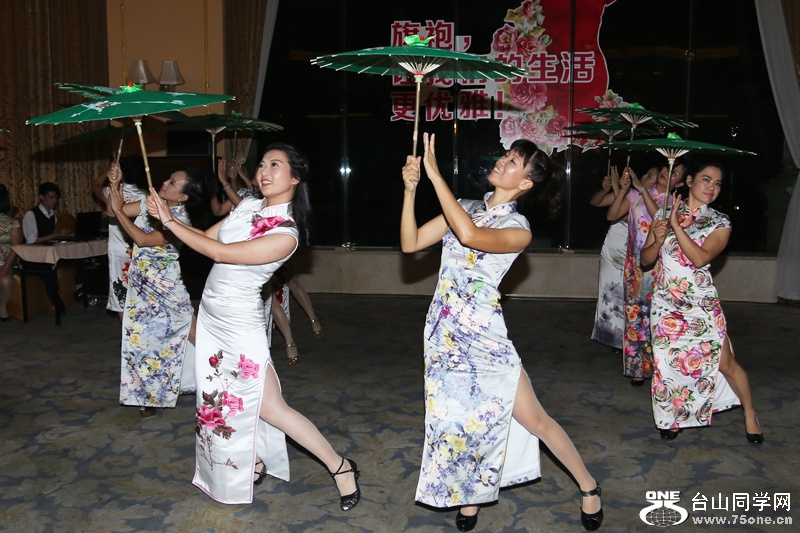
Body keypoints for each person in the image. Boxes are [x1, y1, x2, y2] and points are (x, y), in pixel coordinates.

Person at [401, 133, 602, 532]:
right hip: (444, 332)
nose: (502, 161)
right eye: (506, 155)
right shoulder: (464, 206)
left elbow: (470, 236)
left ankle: (589, 484)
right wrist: (410, 190)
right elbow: (411, 243)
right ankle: (471, 497)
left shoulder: (518, 227)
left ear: (525, 183)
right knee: (458, 418)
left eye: (513, 162)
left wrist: (435, 176)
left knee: (535, 420)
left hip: (485, 338)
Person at [147, 143, 360, 507]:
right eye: (261, 164)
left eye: (275, 165)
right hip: (212, 316)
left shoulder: (287, 233)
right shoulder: (246, 206)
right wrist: (166, 217)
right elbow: (208, 239)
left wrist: (169, 220)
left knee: (271, 408)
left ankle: (340, 467)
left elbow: (221, 253)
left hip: (239, 325)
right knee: (219, 398)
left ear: (295, 178)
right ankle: (254, 461)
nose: (263, 171)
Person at [640, 162, 763, 443]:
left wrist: (676, 226)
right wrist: (657, 241)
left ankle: (750, 413)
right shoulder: (662, 213)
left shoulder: (720, 222)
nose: (712, 187)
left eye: (717, 183)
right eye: (706, 180)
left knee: (725, 364)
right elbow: (645, 260)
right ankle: (673, 416)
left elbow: (700, 258)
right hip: (666, 303)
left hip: (701, 304)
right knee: (667, 364)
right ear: (689, 181)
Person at [107, 168, 206, 417]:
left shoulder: (180, 221)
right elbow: (111, 211)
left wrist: (119, 211)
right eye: (168, 178)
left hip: (167, 286)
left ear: (182, 197)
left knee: (191, 330)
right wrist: (115, 185)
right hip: (141, 283)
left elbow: (143, 239)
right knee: (140, 337)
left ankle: (224, 375)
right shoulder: (149, 204)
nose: (164, 182)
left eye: (172, 183)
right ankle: (145, 398)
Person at [607, 163, 687, 386]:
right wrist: (623, 190)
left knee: (660, 318)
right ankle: (638, 369)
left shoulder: (676, 204)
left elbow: (661, 219)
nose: (667, 172)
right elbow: (611, 215)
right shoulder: (636, 195)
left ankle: (662, 367)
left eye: (675, 173)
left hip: (662, 267)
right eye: (667, 168)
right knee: (635, 317)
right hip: (636, 266)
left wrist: (642, 189)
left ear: (680, 183)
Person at [590, 166, 658, 349]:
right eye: (646, 173)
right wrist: (608, 189)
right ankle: (611, 337)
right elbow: (596, 203)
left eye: (650, 176)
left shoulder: (652, 201)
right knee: (609, 292)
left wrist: (618, 188)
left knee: (628, 294)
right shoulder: (631, 195)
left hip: (632, 248)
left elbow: (631, 218)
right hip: (614, 245)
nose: (644, 176)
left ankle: (627, 338)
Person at [91, 156, 149, 318]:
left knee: (120, 293)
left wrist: (110, 172)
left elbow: (95, 185)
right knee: (141, 292)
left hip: (119, 250)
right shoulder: (145, 196)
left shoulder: (111, 193)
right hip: (139, 248)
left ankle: (126, 331)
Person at [21, 182, 73, 313]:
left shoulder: (52, 215)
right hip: (32, 258)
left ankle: (79, 287)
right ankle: (57, 304)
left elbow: (50, 237)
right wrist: (56, 234)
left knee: (76, 258)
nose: (54, 201)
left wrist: (62, 237)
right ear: (41, 197)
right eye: (51, 197)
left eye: (56, 198)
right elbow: (31, 240)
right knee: (48, 272)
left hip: (46, 253)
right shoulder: (31, 215)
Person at [0, 184, 23, 321]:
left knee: (5, 280)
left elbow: (15, 247)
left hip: (5, 260)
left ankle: (2, 307)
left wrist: (4, 268)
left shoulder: (12, 223)